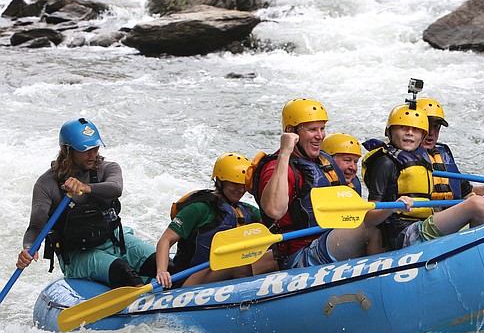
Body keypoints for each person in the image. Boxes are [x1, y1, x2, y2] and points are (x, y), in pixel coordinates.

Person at [17, 118, 155, 288]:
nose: (93, 154)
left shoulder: (108, 168)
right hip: (77, 255)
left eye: (95, 148)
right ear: (66, 150)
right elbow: (36, 228)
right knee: (125, 273)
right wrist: (28, 248)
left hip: (115, 240)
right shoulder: (46, 184)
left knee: (165, 265)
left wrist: (85, 187)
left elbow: (115, 188)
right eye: (85, 150)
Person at [249, 98, 375, 269]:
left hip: (328, 241)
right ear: (291, 132)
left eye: (322, 129)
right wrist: (285, 152)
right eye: (312, 129)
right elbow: (274, 210)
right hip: (299, 255)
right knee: (370, 228)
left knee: (380, 221)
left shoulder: (324, 161)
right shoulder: (277, 168)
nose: (320, 135)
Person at [361, 104, 484, 251]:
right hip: (404, 235)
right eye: (403, 127)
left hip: (425, 222)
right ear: (388, 131)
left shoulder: (422, 159)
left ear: (422, 136)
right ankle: (474, 257)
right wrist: (392, 208)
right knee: (477, 205)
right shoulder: (385, 162)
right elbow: (369, 219)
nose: (410, 133)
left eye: (416, 129)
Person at [154, 153, 276, 289]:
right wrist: (162, 271)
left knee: (277, 256)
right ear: (219, 182)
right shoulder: (199, 208)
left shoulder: (246, 210)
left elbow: (274, 222)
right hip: (189, 276)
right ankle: (247, 302)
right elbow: (165, 240)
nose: (240, 190)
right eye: (234, 184)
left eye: (243, 185)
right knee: (239, 263)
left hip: (224, 269)